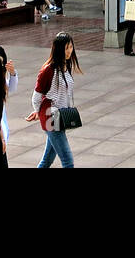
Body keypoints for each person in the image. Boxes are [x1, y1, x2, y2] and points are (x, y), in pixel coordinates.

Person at [27, 32, 82, 168]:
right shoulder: (48, 70)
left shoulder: (66, 66)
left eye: (70, 47)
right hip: (52, 117)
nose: (69, 51)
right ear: (58, 49)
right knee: (67, 161)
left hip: (59, 115)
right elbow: (36, 98)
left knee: (47, 160)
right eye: (66, 48)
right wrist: (40, 113)